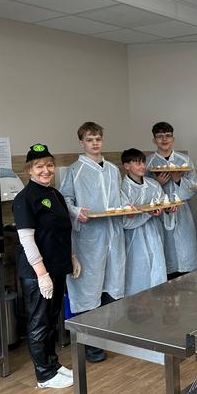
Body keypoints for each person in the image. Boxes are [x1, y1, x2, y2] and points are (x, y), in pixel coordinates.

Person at [13, 144, 79, 388]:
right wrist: (41, 274)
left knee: (51, 320)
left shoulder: (55, 195)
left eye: (49, 165)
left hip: (57, 267)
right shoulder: (24, 199)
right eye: (39, 166)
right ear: (29, 170)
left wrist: (71, 257)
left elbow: (61, 231)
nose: (46, 170)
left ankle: (53, 364)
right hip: (37, 272)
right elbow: (27, 240)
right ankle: (44, 375)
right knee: (39, 323)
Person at [61, 122, 126, 363]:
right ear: (82, 143)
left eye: (98, 138)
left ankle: (105, 339)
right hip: (88, 240)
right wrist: (77, 212)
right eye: (89, 140)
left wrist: (127, 207)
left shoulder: (112, 169)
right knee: (88, 291)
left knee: (112, 286)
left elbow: (119, 197)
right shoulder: (75, 170)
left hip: (112, 236)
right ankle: (90, 346)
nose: (95, 143)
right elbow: (64, 199)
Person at [147, 122, 197, 279]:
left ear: (173, 138)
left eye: (168, 136)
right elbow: (142, 192)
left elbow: (194, 187)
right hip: (159, 216)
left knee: (185, 258)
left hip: (182, 214)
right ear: (154, 140)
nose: (164, 139)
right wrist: (157, 184)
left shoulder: (184, 160)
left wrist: (178, 180)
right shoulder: (148, 162)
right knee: (165, 257)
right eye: (160, 136)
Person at [121, 148, 174, 295]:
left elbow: (163, 202)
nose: (142, 166)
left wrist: (168, 209)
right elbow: (124, 220)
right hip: (134, 238)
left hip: (154, 232)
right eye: (137, 163)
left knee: (157, 267)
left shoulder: (153, 184)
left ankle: (158, 299)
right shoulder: (122, 188)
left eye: (143, 163)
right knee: (138, 270)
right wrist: (147, 214)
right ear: (126, 166)